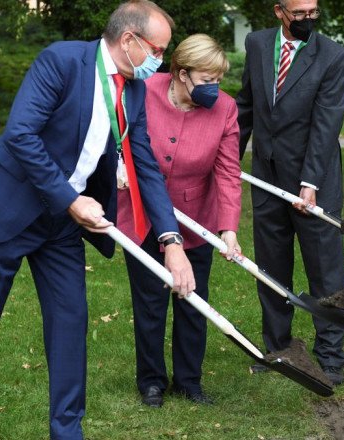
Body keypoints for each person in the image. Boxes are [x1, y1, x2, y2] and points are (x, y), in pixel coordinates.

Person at [0, 2, 195, 438]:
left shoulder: (133, 89)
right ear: (129, 40)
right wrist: (71, 200)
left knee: (70, 328)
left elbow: (144, 165)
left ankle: (67, 432)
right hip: (11, 210)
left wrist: (171, 241)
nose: (161, 62)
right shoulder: (61, 60)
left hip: (62, 228)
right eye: (158, 50)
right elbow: (20, 133)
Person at [118, 34, 242, 407]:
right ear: (180, 73)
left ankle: (189, 380)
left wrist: (229, 229)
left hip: (195, 220)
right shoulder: (142, 91)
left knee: (192, 300)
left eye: (218, 80)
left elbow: (228, 173)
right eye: (207, 80)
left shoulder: (226, 109)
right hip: (142, 217)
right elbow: (116, 137)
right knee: (150, 301)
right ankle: (152, 381)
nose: (214, 88)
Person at [235, 0, 344, 386]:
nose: (308, 20)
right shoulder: (256, 44)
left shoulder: (333, 56)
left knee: (324, 268)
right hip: (267, 176)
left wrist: (310, 183)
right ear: (278, 11)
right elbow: (247, 107)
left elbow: (326, 124)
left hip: (314, 179)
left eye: (313, 12)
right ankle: (279, 349)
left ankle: (331, 355)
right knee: (271, 266)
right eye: (299, 13)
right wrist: (226, 162)